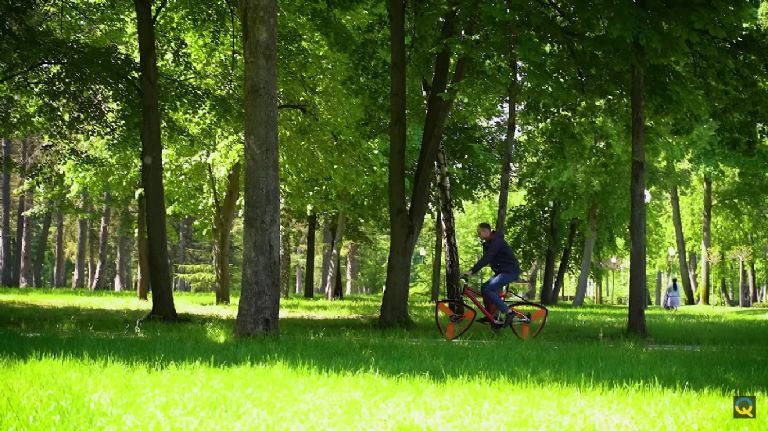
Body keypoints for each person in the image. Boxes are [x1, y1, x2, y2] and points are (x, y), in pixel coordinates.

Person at [462, 222, 526, 326]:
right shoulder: (488, 243)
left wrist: (472, 271)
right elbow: (486, 259)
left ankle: (509, 312)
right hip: (502, 272)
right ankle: (490, 315)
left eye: (479, 233)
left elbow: (487, 258)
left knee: (489, 289)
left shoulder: (497, 241)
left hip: (510, 271)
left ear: (486, 231)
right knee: (484, 288)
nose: (478, 235)